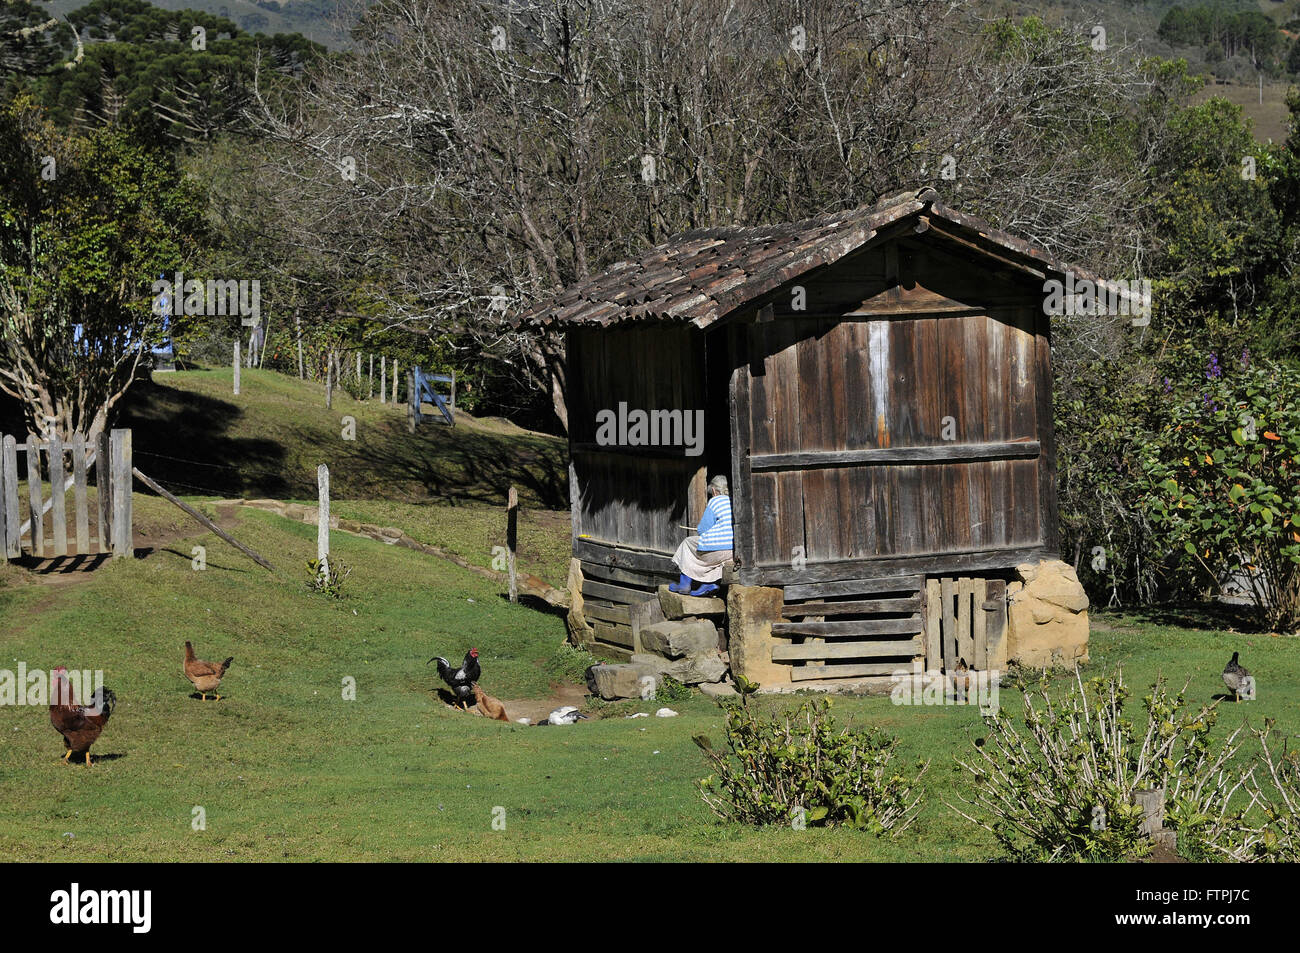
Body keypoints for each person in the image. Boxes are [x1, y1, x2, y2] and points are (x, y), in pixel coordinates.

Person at [669, 475, 733, 597]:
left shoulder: (715, 501)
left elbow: (703, 529)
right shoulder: (733, 500)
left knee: (687, 543)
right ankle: (709, 584)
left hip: (715, 551)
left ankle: (684, 584)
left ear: (714, 490)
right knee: (717, 560)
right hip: (731, 551)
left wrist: (699, 529)